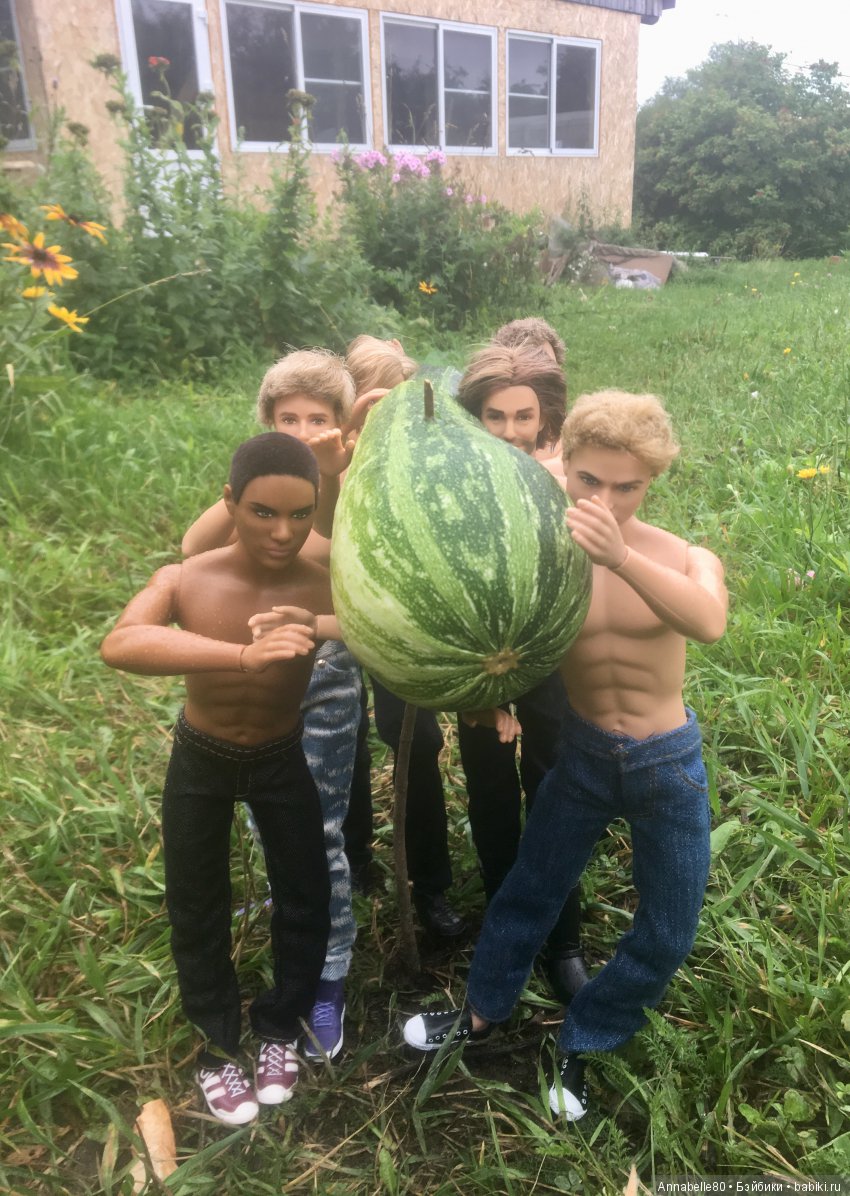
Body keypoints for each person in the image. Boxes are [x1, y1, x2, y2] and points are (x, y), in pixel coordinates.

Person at [402, 390, 728, 1123]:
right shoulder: (540, 557)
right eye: (589, 480)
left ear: (652, 481)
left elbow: (708, 621)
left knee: (670, 924)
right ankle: (481, 1011)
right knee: (530, 887)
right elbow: (483, 627)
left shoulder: (682, 556)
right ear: (565, 464)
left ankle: (589, 1032)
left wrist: (621, 557)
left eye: (627, 486)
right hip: (582, 754)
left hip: (666, 762)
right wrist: (481, 699)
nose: (605, 501)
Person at [101, 433, 336, 1126]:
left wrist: (323, 622)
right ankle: (216, 1046)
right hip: (201, 755)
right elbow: (122, 642)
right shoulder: (188, 577)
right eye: (264, 512)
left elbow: (389, 623)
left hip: (280, 753)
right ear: (230, 502)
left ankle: (279, 1027)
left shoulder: (325, 578)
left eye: (300, 514)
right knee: (196, 900)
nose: (283, 532)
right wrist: (241, 656)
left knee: (306, 893)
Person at [181, 350, 361, 1064]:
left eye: (318, 419)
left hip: (324, 673)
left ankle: (329, 972)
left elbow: (347, 559)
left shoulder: (346, 485)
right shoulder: (262, 488)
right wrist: (241, 494)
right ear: (266, 422)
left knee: (321, 830)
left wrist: (335, 475)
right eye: (289, 419)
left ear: (341, 424)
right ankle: (294, 913)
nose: (304, 432)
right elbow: (191, 551)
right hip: (252, 677)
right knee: (272, 823)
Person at [456, 344, 588, 1002]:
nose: (510, 430)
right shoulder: (449, 485)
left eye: (523, 416)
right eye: (495, 415)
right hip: (471, 661)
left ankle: (563, 938)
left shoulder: (561, 481)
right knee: (489, 790)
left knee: (553, 788)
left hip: (548, 655)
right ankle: (504, 921)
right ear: (473, 417)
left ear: (544, 418)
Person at [341, 334, 467, 937]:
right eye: (370, 404)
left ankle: (430, 885)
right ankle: (354, 862)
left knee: (415, 743)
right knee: (345, 745)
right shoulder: (329, 452)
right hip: (332, 629)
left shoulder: (426, 452)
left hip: (398, 624)